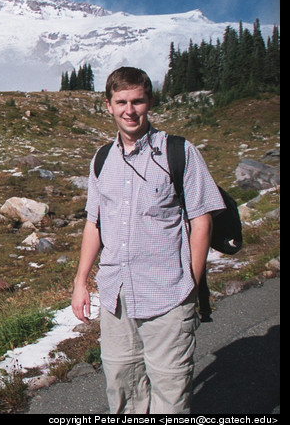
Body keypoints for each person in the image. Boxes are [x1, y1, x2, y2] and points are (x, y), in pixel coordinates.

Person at [71, 66, 225, 414]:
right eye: (121, 101)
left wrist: (192, 284)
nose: (130, 110)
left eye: (137, 101)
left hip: (169, 293)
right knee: (122, 389)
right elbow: (94, 223)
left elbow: (201, 221)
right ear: (108, 105)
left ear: (149, 102)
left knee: (170, 393)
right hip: (117, 296)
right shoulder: (101, 159)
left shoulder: (179, 152)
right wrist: (81, 281)